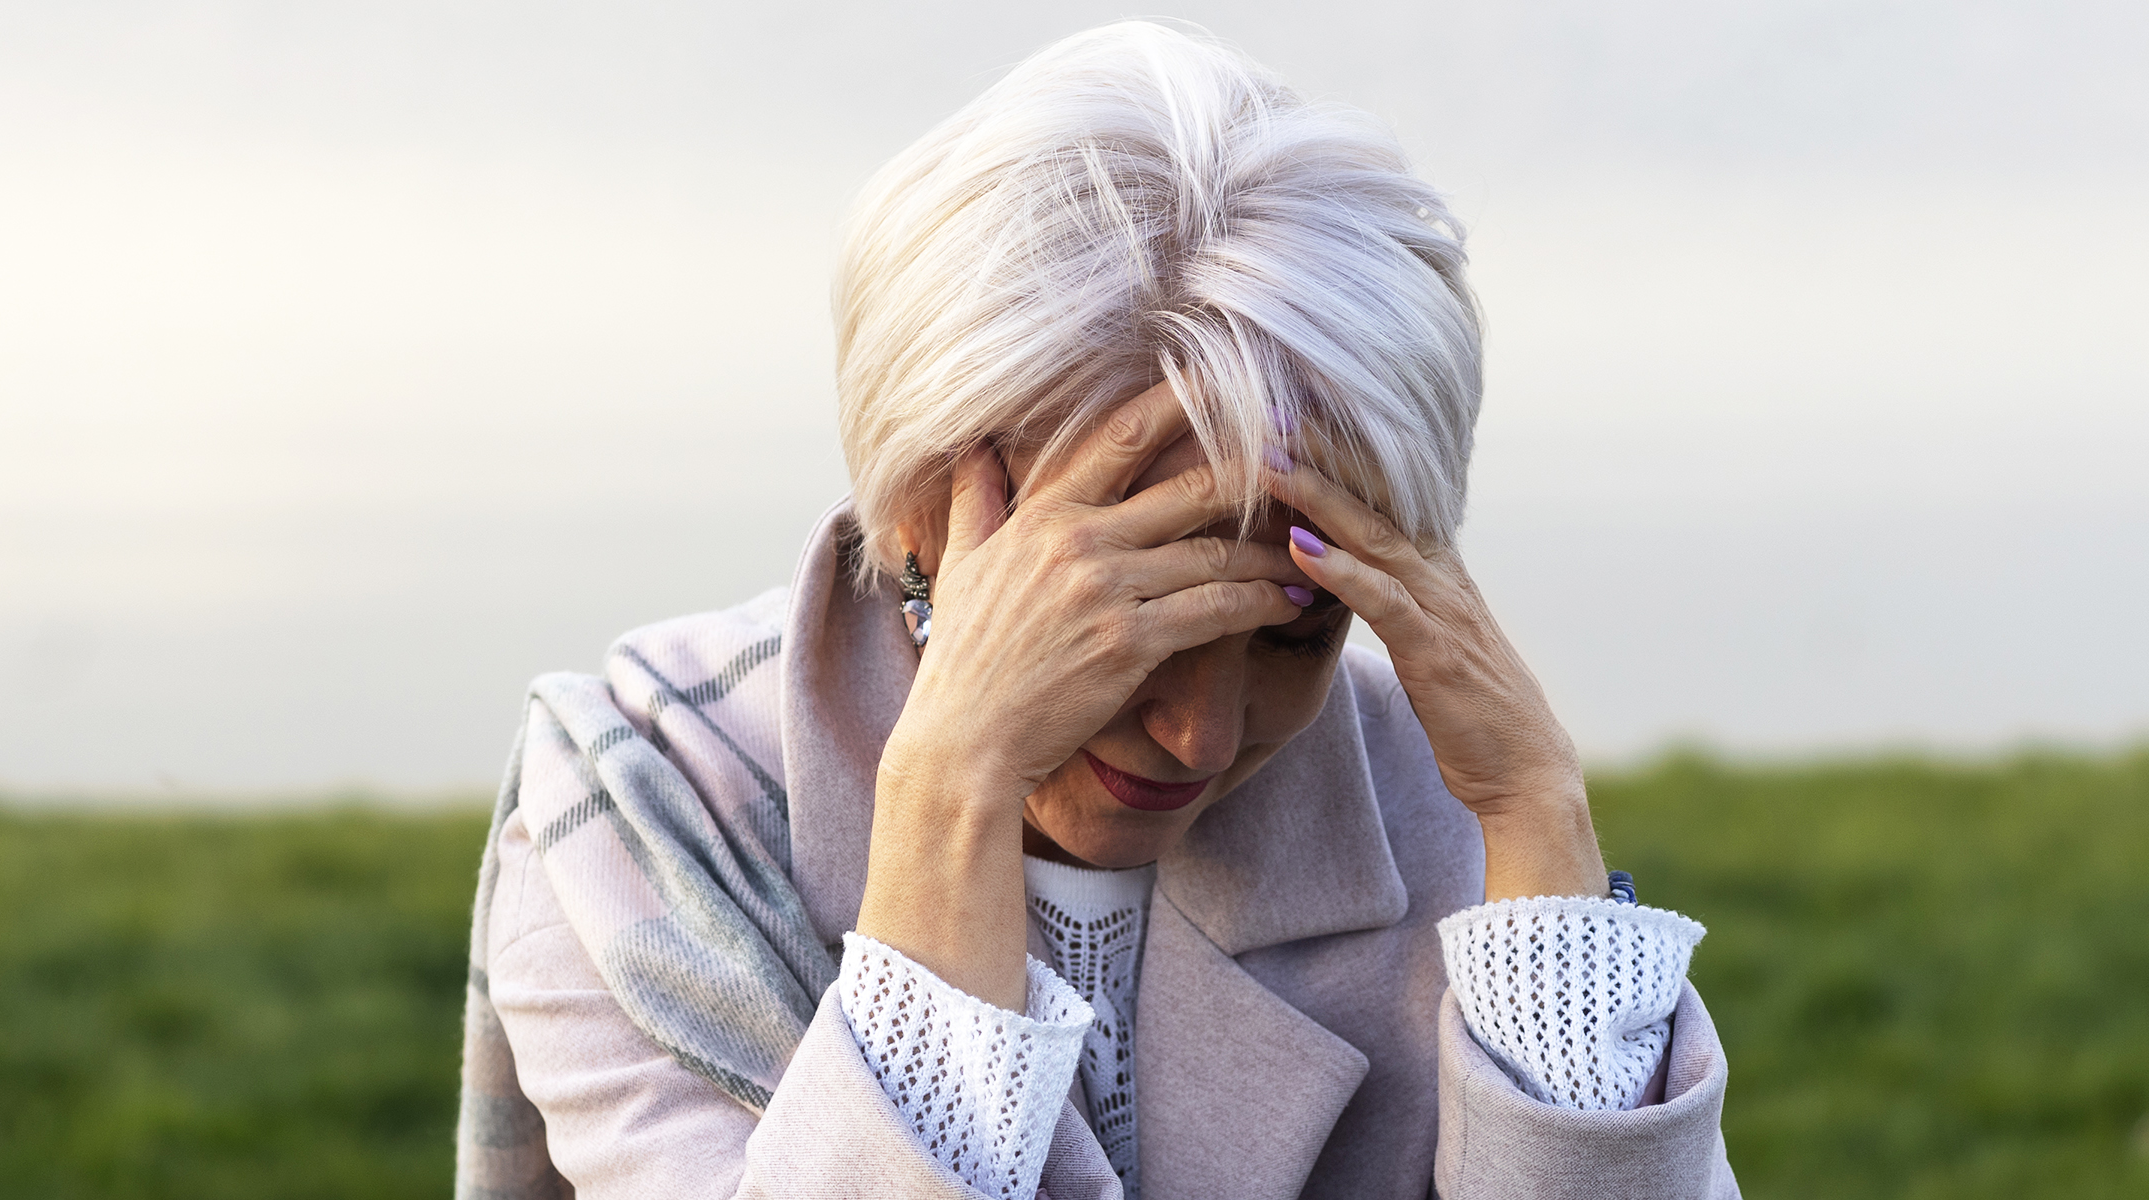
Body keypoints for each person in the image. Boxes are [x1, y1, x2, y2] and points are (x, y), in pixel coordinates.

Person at [455, 21, 1734, 1200]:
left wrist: (1537, 816)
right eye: (1141, 621)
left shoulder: (1439, 804)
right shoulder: (650, 812)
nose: (1204, 737)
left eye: (1294, 634)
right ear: (917, 507)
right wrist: (951, 787)